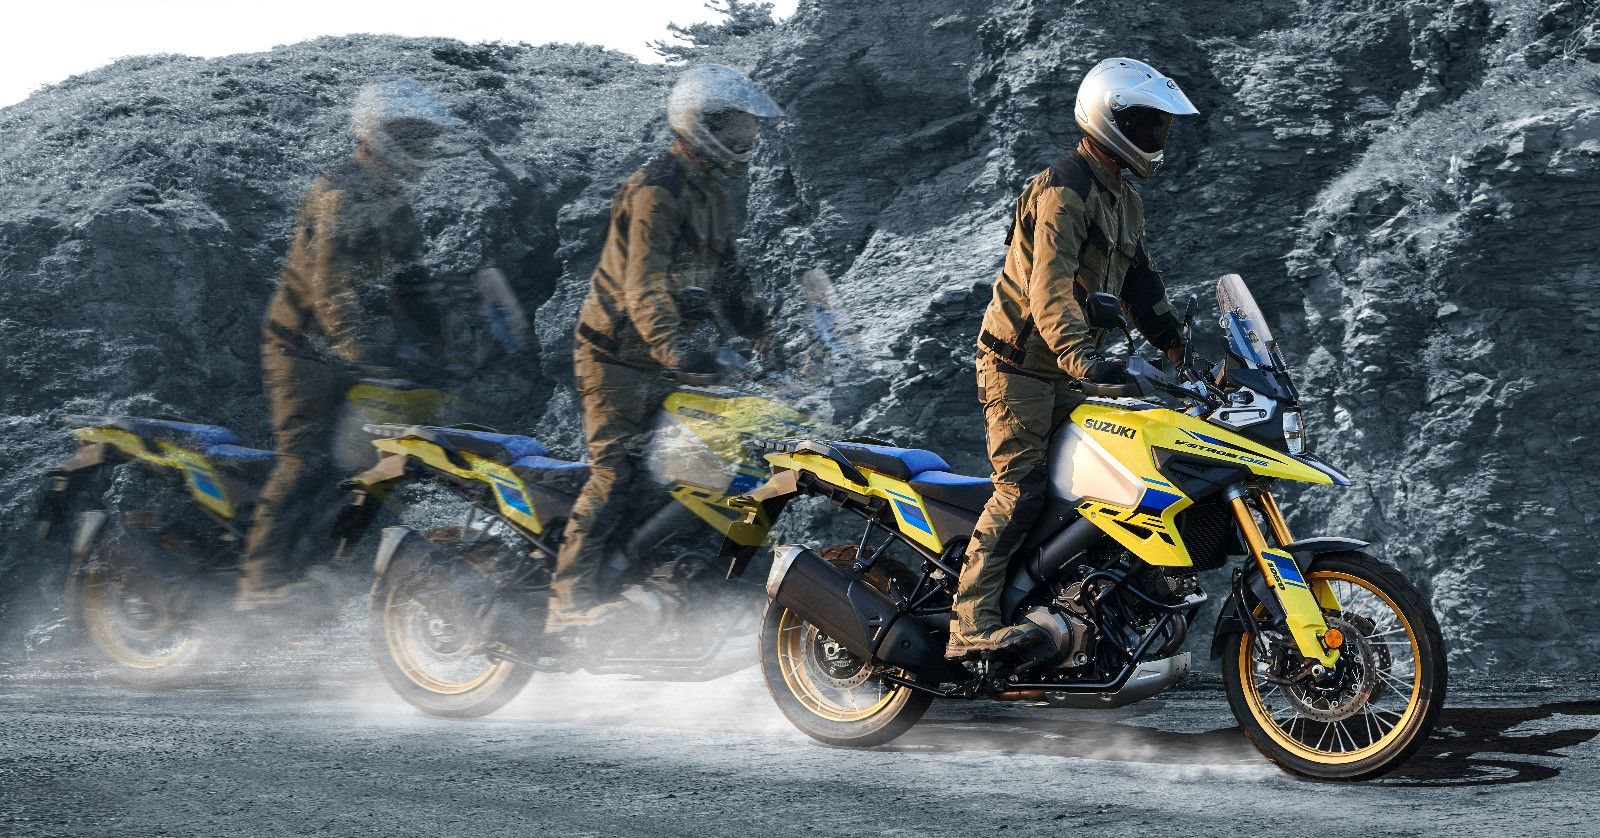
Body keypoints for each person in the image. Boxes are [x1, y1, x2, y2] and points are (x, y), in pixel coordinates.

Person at [947, 58, 1200, 658]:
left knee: (1106, 481)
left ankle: (1075, 609)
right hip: (1020, 367)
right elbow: (1050, 286)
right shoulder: (1065, 188)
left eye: (1160, 125)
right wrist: (1082, 358)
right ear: (1111, 120)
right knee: (1022, 488)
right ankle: (969, 625)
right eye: (1147, 123)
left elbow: (1141, 283)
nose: (1156, 135)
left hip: (1065, 366)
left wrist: (1179, 347)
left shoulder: (1124, 197)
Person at [549, 64, 780, 631]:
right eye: (738, 127)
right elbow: (644, 282)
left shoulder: (713, 191)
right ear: (702, 125)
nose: (748, 137)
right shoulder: (657, 189)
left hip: (663, 357)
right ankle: (567, 607)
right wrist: (675, 351)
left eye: (750, 127)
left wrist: (766, 335)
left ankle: (650, 589)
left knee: (697, 471)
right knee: (615, 474)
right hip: (617, 358)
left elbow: (728, 276)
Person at [237, 77, 458, 611]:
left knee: (370, 460)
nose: (423, 149)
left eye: (426, 138)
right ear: (379, 135)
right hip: (304, 350)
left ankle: (324, 569)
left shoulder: (393, 200)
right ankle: (259, 583)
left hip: (356, 353)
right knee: (304, 459)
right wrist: (362, 352)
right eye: (413, 137)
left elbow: (412, 282)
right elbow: (330, 283)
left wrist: (440, 347)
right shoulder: (340, 194)